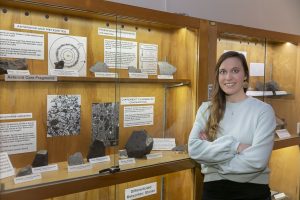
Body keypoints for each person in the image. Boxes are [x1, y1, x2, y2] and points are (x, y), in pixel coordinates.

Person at [188, 51, 276, 200]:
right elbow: (194, 149)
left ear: (245, 75)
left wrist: (214, 162)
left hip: (253, 192)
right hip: (213, 192)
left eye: (235, 71)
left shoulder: (263, 111)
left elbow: (257, 161)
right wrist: (235, 146)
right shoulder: (206, 109)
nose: (228, 77)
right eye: (223, 72)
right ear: (218, 76)